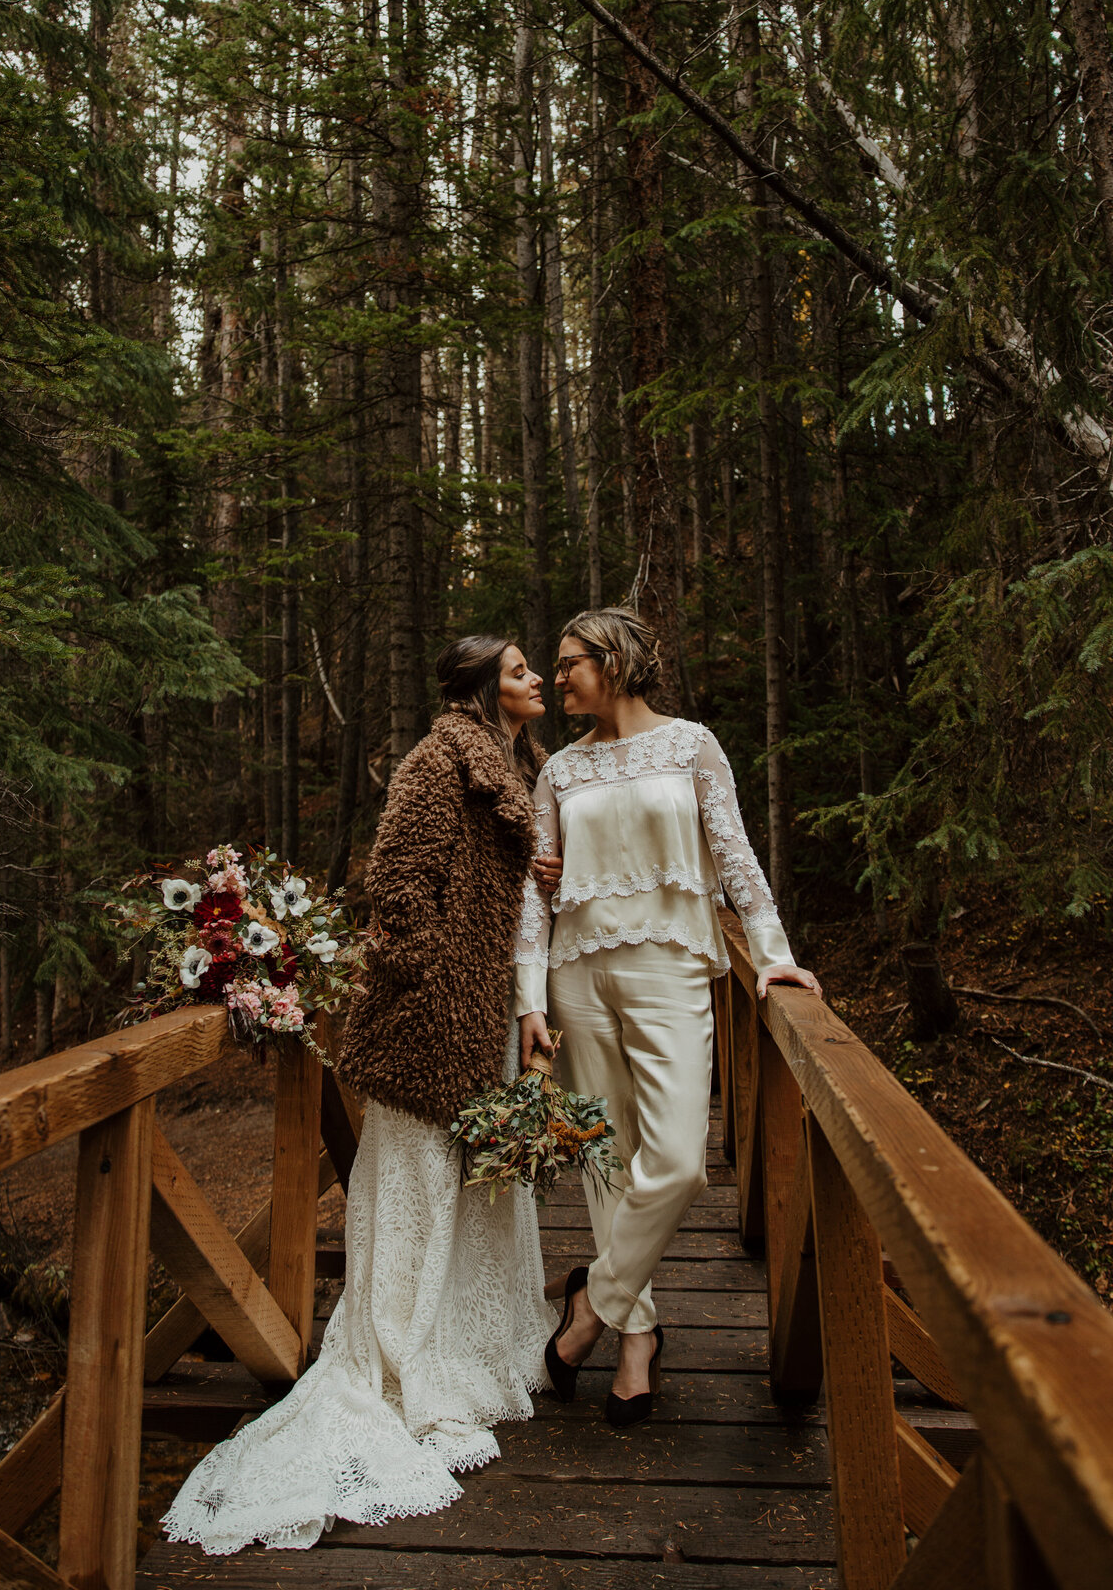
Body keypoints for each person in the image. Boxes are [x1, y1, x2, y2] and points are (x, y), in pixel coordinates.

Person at [164, 637, 558, 1555]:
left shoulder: (513, 763)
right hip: (434, 1013)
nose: (535, 679)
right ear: (475, 687)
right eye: (517, 670)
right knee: (418, 1179)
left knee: (476, 1179)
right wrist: (427, 974)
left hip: (487, 1008)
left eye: (535, 668)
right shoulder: (438, 760)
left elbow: (501, 887)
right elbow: (395, 883)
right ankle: (402, 1352)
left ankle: (476, 1339)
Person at [514, 607, 821, 1426]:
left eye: (570, 660)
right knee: (607, 1163)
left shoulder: (691, 746)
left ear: (611, 661)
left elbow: (735, 854)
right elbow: (531, 895)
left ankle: (593, 1303)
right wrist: (529, 1000)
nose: (560, 676)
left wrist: (773, 949)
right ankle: (639, 1338)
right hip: (576, 975)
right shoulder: (560, 773)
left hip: (672, 967)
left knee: (680, 1162)